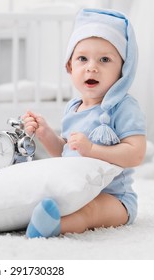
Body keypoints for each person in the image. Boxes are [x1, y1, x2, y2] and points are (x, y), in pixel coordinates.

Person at [23, 8, 146, 238]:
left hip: (114, 199)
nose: (92, 66)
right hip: (74, 192)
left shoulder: (124, 106)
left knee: (90, 210)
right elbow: (66, 154)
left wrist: (92, 149)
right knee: (33, 194)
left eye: (105, 59)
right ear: (70, 67)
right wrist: (45, 133)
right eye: (82, 58)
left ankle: (54, 227)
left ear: (123, 71)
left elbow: (136, 154)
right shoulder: (73, 108)